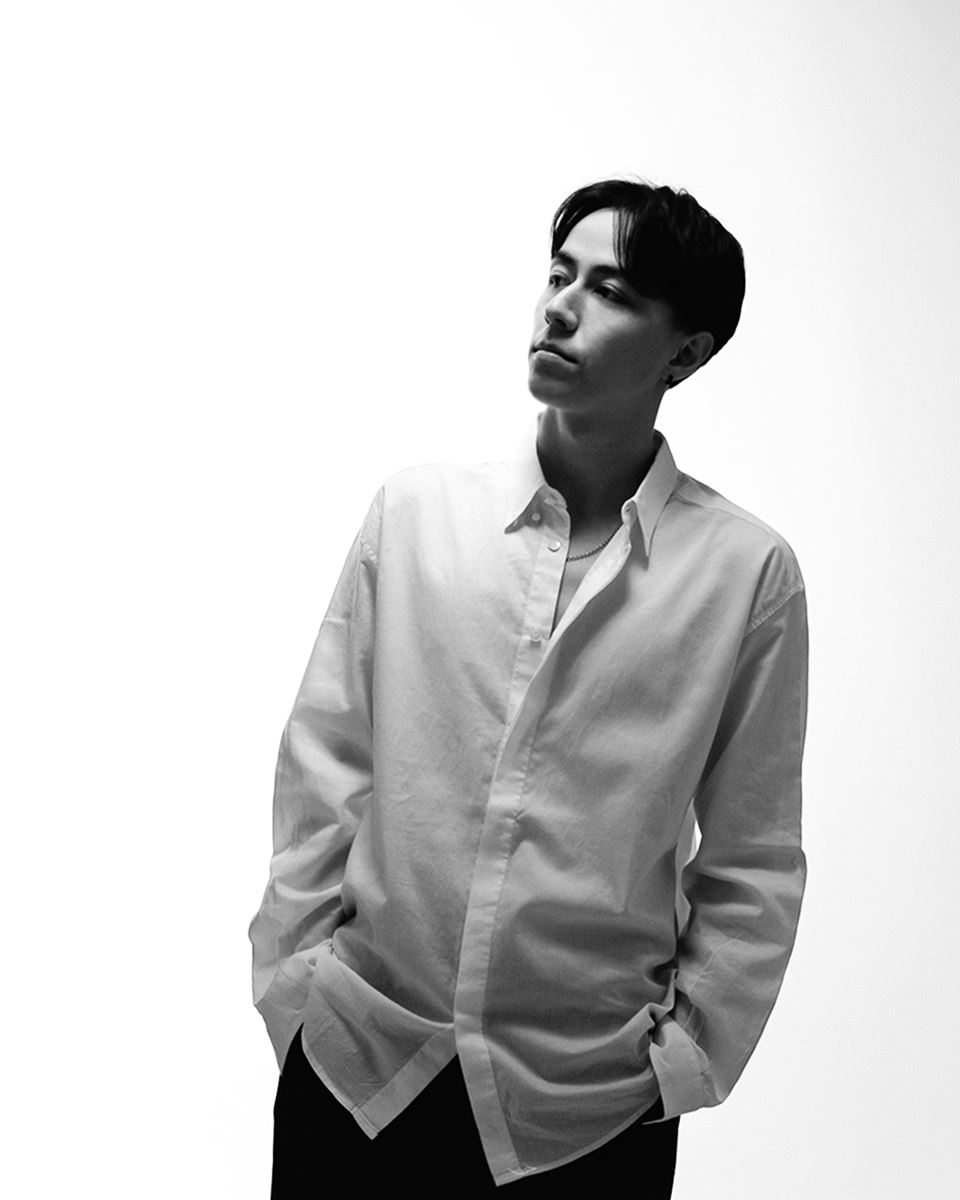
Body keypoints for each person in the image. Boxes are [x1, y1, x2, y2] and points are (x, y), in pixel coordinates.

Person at [249, 177, 808, 1196]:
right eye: (559, 275)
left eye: (612, 291)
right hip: (360, 1071)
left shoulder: (746, 576)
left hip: (585, 1116)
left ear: (686, 352)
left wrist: (681, 1064)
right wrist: (296, 988)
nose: (561, 307)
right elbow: (323, 762)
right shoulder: (416, 514)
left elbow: (753, 855)